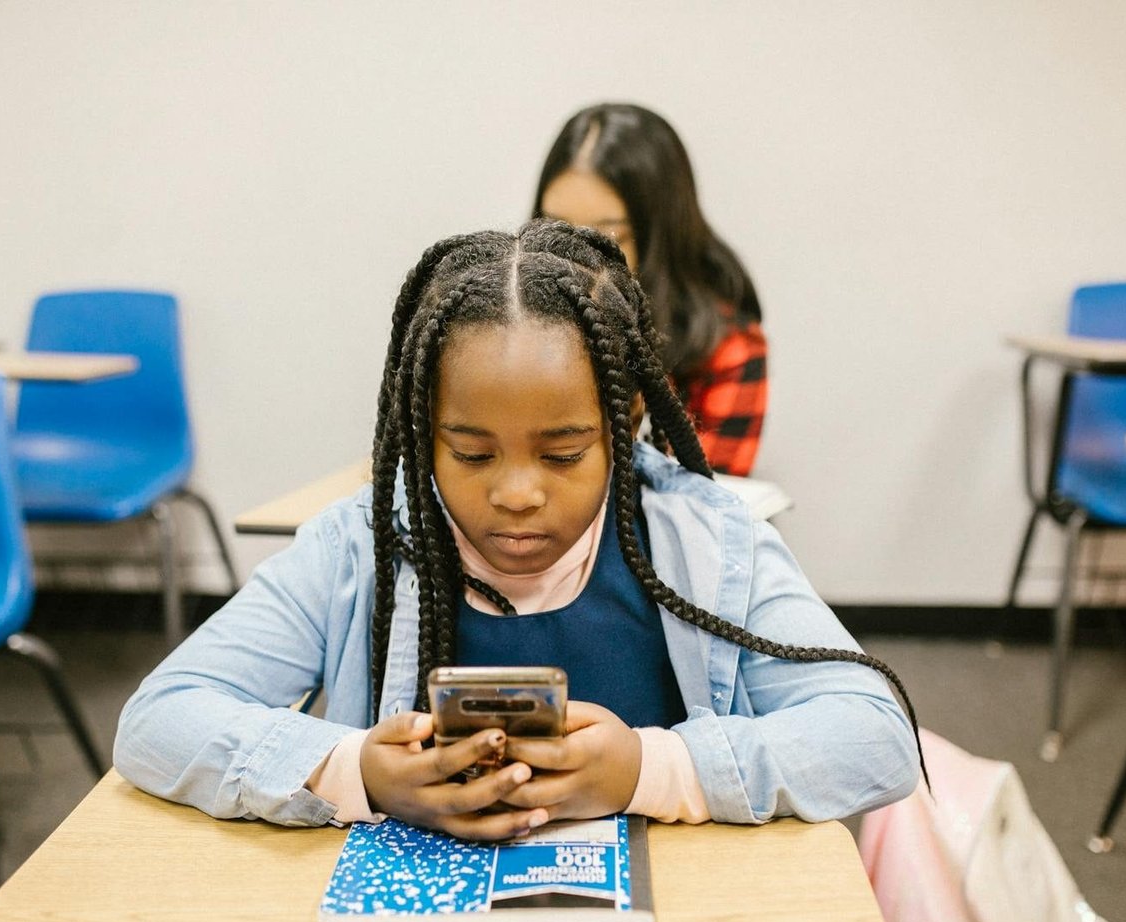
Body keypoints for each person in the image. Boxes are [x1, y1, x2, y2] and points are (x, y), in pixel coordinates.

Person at [114, 220, 921, 840]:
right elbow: (161, 717)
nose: (517, 494)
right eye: (470, 453)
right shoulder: (360, 546)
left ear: (623, 422)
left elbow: (873, 735)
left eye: (564, 453)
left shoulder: (709, 544)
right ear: (423, 429)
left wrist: (654, 770)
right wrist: (351, 770)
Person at [534, 102, 768, 476]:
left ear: (659, 237)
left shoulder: (726, 347)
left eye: (608, 237)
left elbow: (707, 500)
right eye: (555, 229)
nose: (572, 259)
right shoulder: (507, 322)